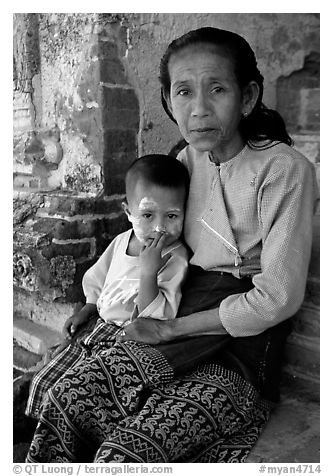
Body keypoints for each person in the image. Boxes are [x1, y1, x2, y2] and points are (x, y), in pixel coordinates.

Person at [25, 27, 318, 463]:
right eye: (183, 92)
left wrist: (169, 329)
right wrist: (104, 299)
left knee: (129, 450)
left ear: (249, 96)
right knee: (67, 394)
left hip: (238, 338)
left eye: (217, 88)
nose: (199, 109)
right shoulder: (187, 159)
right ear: (168, 102)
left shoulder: (283, 170)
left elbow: (276, 298)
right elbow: (148, 237)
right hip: (180, 300)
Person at [25, 153, 191, 419]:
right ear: (128, 212)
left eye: (172, 215)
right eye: (147, 214)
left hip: (129, 341)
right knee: (45, 380)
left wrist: (149, 272)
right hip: (95, 329)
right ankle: (36, 431)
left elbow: (158, 316)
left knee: (74, 396)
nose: (160, 228)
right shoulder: (122, 241)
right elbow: (98, 280)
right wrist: (86, 310)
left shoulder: (175, 257)